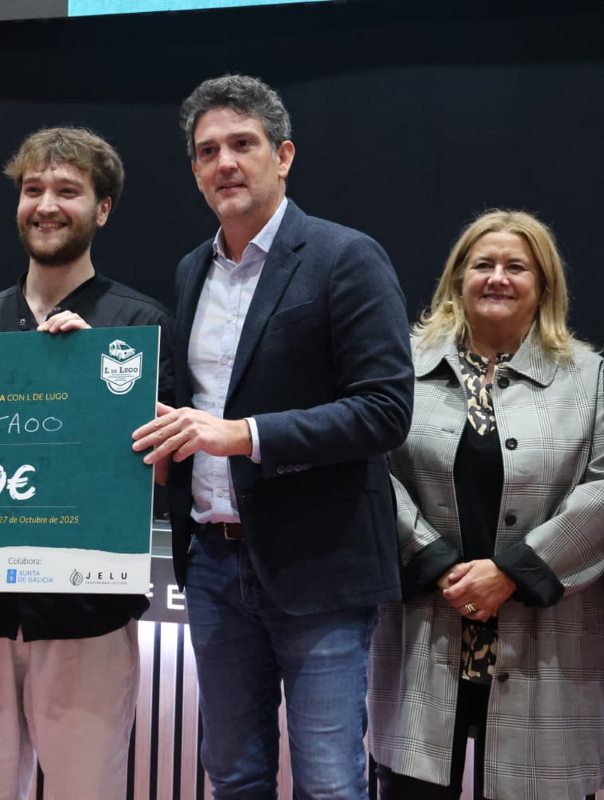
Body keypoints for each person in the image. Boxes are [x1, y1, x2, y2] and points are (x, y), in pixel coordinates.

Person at [131, 74, 414, 798]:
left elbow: (385, 410)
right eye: (207, 151)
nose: (225, 162)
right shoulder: (192, 270)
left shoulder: (346, 257)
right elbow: (185, 411)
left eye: (243, 144)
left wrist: (245, 435)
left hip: (318, 565)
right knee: (233, 777)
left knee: (329, 783)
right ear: (194, 171)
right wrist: (77, 363)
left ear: (283, 156)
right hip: (213, 565)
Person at [0, 127, 173, 800]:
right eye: (32, 189)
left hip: (86, 619)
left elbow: (163, 473)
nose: (46, 205)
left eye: (68, 190)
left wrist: (101, 382)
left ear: (103, 208)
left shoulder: (139, 326)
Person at [368, 210, 604, 800]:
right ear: (458, 279)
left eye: (516, 267)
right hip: (428, 624)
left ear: (543, 286)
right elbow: (368, 469)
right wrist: (433, 559)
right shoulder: (399, 366)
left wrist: (514, 572)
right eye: (483, 265)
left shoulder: (591, 378)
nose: (498, 278)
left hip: (547, 639)